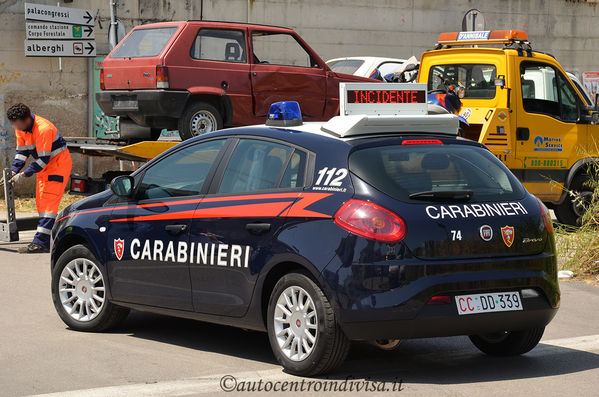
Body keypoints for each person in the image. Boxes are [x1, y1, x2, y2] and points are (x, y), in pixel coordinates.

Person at [5, 103, 72, 253]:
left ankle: (41, 243)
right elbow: (21, 153)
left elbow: (43, 160)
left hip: (57, 166)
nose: (16, 128)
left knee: (48, 206)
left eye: (17, 124)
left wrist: (24, 175)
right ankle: (43, 240)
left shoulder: (43, 129)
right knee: (41, 203)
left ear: (27, 119)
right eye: (13, 124)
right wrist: (14, 171)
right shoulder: (21, 129)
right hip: (45, 168)